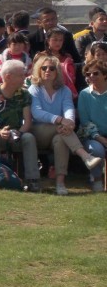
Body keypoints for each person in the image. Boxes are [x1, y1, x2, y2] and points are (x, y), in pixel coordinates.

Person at [27, 56, 102, 195]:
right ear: (39, 70)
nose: (47, 70)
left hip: (59, 131)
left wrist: (70, 123)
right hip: (38, 131)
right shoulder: (34, 89)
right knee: (61, 130)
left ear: (57, 71)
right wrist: (60, 120)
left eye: (52, 68)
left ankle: (60, 183)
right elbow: (36, 113)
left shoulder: (65, 90)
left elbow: (68, 109)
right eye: (44, 68)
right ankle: (85, 156)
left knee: (62, 138)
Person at [0, 59, 41, 192]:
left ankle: (33, 180)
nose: (24, 78)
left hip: (18, 134)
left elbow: (28, 121)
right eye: (21, 75)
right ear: (8, 76)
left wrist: (19, 132)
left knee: (29, 138)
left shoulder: (24, 94)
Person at [77, 59, 107, 192]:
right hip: (92, 136)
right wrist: (101, 139)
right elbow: (85, 122)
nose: (91, 77)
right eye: (88, 74)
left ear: (105, 74)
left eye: (96, 73)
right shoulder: (84, 94)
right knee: (97, 150)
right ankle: (97, 180)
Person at [41, 28, 78, 100]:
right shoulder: (41, 56)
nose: (58, 43)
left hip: (65, 91)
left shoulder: (67, 57)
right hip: (46, 91)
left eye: (61, 40)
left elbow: (72, 76)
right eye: (55, 40)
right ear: (48, 40)